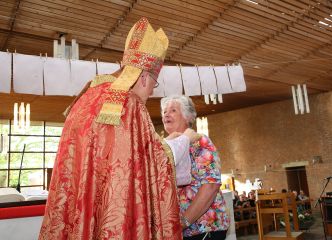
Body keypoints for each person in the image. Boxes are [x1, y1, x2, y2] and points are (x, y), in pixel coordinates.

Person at [39, 17, 182, 240]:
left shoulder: (86, 96)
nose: (152, 92)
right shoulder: (130, 104)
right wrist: (181, 141)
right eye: (154, 84)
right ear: (144, 77)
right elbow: (152, 164)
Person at [161, 95, 230, 240]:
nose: (166, 114)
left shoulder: (199, 141)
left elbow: (210, 186)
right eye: (164, 112)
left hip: (204, 228)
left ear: (187, 117)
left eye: (173, 110)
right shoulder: (166, 147)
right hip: (179, 231)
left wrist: (183, 222)